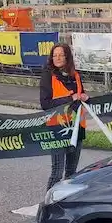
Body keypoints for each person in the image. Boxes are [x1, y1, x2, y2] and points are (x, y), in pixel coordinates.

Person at [41, 43, 87, 190]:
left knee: (71, 173)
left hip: (77, 127)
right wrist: (70, 98)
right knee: (57, 172)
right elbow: (45, 104)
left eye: (61, 54)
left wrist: (86, 97)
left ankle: (66, 204)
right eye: (54, 55)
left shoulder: (76, 75)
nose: (58, 58)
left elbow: (80, 97)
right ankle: (49, 205)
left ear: (67, 56)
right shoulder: (48, 75)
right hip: (57, 128)